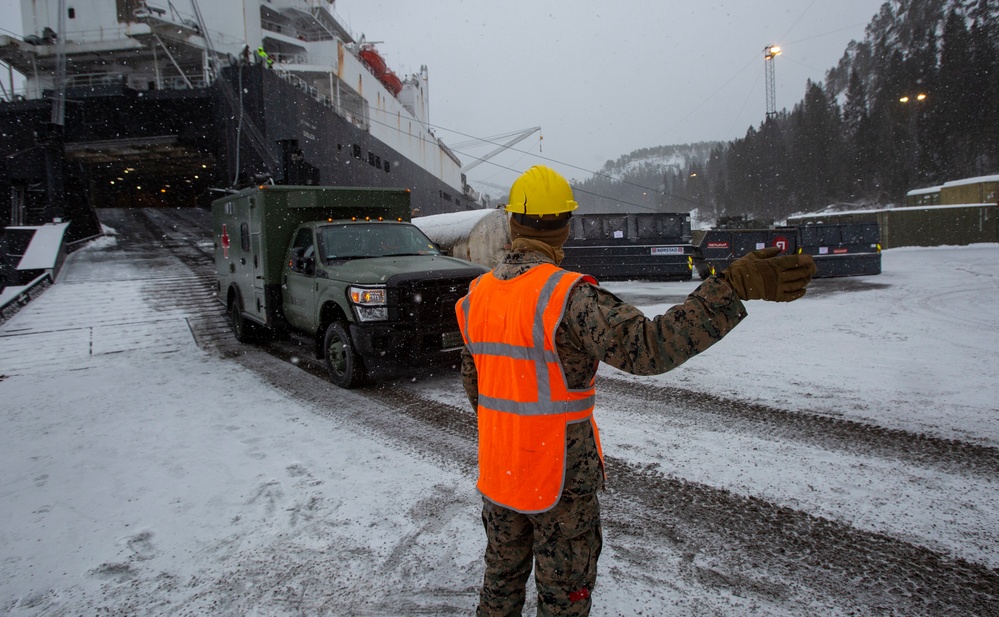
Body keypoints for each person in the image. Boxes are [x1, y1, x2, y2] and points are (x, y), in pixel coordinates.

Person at [455, 165, 816, 616]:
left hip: (500, 473)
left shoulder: (476, 297)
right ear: (565, 229)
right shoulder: (567, 297)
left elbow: (477, 391)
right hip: (559, 481)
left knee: (500, 588)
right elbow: (651, 348)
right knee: (563, 600)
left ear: (512, 223)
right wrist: (731, 287)